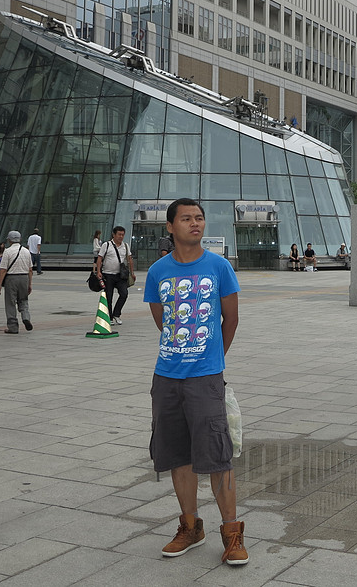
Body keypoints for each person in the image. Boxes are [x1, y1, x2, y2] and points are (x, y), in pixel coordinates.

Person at [144, 197, 248, 567]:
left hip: (206, 377)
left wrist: (212, 360)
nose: (195, 224)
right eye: (186, 218)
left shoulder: (219, 267)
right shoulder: (157, 271)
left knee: (218, 455)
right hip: (167, 376)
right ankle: (190, 526)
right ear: (170, 226)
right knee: (177, 454)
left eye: (199, 218)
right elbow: (163, 322)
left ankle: (232, 533)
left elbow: (231, 319)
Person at [0, 231, 33, 334]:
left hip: (11, 279)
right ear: (20, 239)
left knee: (10, 303)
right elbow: (30, 270)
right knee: (24, 300)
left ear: (9, 240)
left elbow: (3, 270)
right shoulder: (26, 251)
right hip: (24, 278)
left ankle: (13, 327)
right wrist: (29, 284)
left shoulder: (7, 252)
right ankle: (26, 317)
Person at [95, 226, 134, 325]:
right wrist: (98, 271)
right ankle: (110, 317)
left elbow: (129, 259)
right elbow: (99, 258)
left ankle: (117, 314)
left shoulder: (125, 246)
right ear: (114, 235)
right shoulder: (106, 245)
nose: (121, 237)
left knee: (124, 294)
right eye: (119, 234)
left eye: (122, 235)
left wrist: (132, 273)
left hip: (120, 275)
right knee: (109, 296)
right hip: (108, 275)